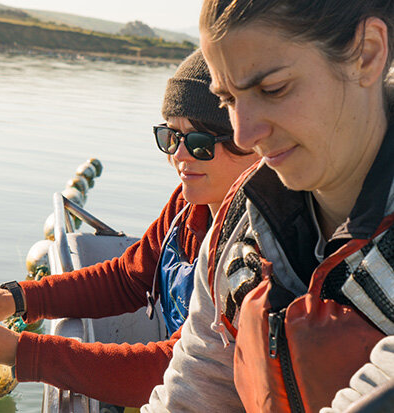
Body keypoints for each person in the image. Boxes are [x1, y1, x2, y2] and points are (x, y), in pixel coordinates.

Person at [0, 49, 259, 408]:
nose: (180, 157)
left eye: (200, 144)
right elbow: (127, 279)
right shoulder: (189, 207)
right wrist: (20, 298)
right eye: (170, 137)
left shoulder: (258, 253)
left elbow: (182, 371)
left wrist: (18, 351)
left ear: (255, 140)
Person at [142, 0, 394, 412]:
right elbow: (197, 381)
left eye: (272, 89)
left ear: (366, 53)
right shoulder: (236, 231)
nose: (243, 134)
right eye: (228, 100)